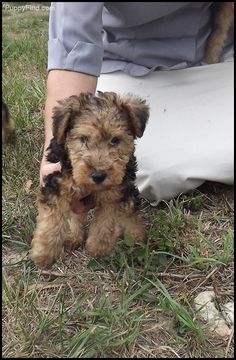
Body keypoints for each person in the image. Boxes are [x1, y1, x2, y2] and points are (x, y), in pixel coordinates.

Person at [40, 2, 234, 208]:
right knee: (156, 172)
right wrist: (56, 157)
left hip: (214, 60)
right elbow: (73, 43)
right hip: (127, 66)